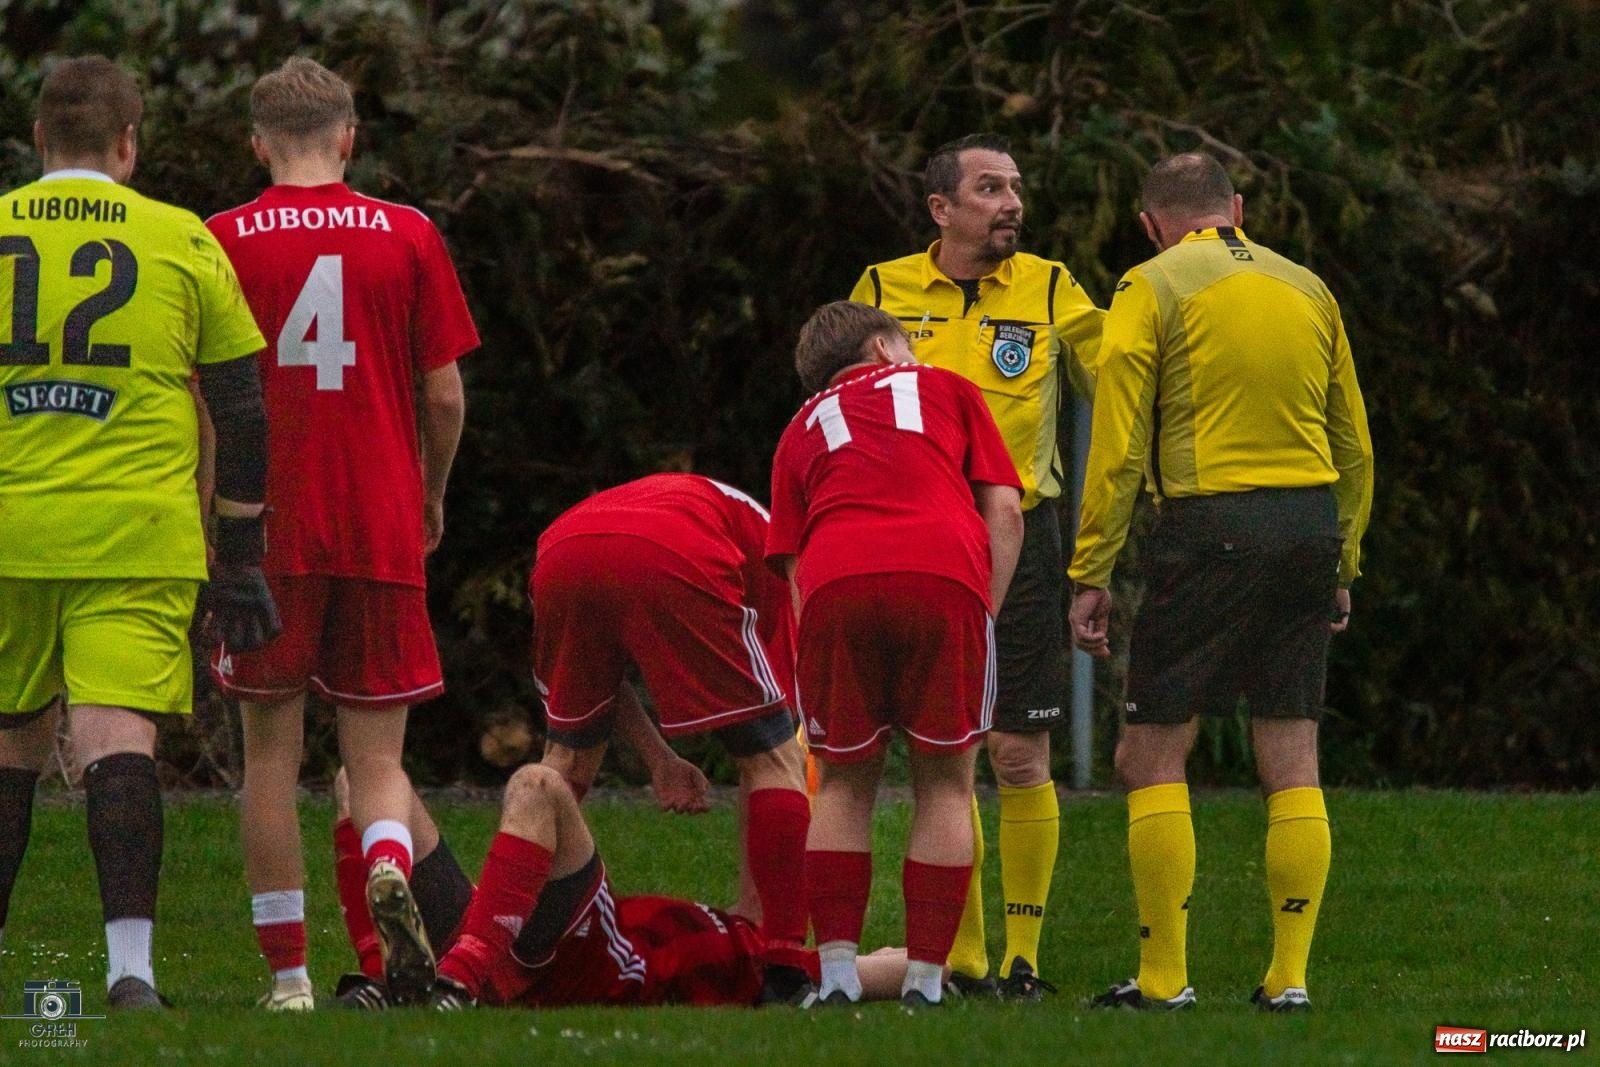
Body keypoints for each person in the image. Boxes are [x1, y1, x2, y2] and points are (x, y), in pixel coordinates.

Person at [0, 56, 277, 1010]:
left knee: (6, 749)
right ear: (129, 145)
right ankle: (130, 972)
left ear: (37, 142)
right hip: (136, 529)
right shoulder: (182, 238)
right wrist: (240, 556)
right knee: (120, 743)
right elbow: (242, 409)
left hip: (8, 522)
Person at [1068, 152, 1374, 1012]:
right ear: (1237, 207)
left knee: (1149, 752)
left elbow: (1121, 444)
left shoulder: (1151, 285)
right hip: (1311, 524)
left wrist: (1091, 567)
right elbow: (1353, 441)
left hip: (1213, 529)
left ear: (1151, 225)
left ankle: (1164, 978)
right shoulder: (1308, 286)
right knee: (1293, 750)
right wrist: (1343, 558)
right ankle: (1289, 979)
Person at [203, 57, 479, 1010]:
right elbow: (443, 393)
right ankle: (388, 865)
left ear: (258, 141)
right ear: (350, 137)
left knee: (268, 757)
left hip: (265, 529)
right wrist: (431, 494)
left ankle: (289, 979)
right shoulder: (407, 234)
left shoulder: (221, 239)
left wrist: (212, 521)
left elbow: (205, 403)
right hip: (379, 516)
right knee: (379, 759)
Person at [850, 133, 1102, 997]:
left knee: (1018, 751)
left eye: (1016, 188)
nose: (1011, 204)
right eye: (990, 188)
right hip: (916, 542)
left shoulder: (1053, 287)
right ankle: (957, 957)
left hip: (1021, 537)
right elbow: (835, 406)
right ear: (941, 209)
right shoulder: (882, 289)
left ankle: (1023, 957)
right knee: (938, 751)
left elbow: (1124, 378)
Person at [767, 301, 1024, 1008]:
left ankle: (842, 974)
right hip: (941, 572)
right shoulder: (944, 385)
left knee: (845, 781)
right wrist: (984, 608)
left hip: (834, 583)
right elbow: (1004, 509)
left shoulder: (798, 431)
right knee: (946, 780)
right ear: (884, 348)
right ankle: (925, 979)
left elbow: (790, 566)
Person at [529, 473, 814, 1004]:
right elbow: (774, 761)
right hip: (674, 548)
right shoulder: (789, 577)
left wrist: (658, 759)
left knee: (563, 765)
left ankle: (500, 941)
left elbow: (603, 680)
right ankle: (780, 960)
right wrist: (752, 920)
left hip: (563, 548)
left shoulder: (716, 504)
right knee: (773, 759)